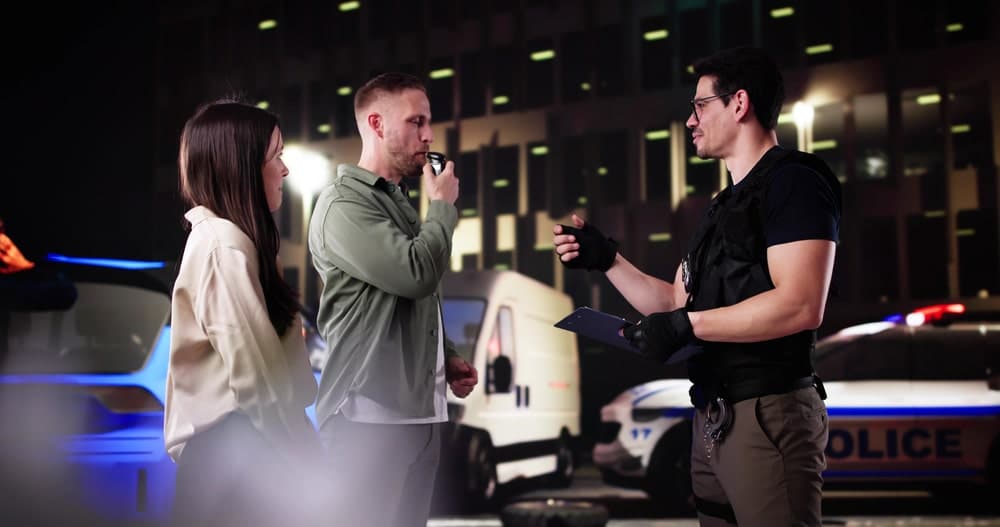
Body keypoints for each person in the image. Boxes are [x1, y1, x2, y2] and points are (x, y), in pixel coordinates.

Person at [554, 46, 841, 526]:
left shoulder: (795, 182)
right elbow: (673, 301)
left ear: (740, 103)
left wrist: (687, 323)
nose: (690, 120)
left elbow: (800, 305)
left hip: (767, 411)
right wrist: (606, 259)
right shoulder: (721, 204)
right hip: (712, 413)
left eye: (700, 105)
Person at [307, 72, 478, 527]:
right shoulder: (344, 205)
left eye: (429, 123)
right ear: (378, 124)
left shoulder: (398, 202)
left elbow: (411, 300)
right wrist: (442, 207)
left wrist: (448, 355)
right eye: (416, 122)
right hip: (368, 416)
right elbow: (417, 273)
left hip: (419, 414)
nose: (429, 135)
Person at [165, 100, 321, 527]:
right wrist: (307, 461)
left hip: (239, 456)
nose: (285, 170)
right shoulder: (223, 245)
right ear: (243, 167)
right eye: (277, 156)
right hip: (237, 459)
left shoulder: (234, 242)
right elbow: (259, 381)